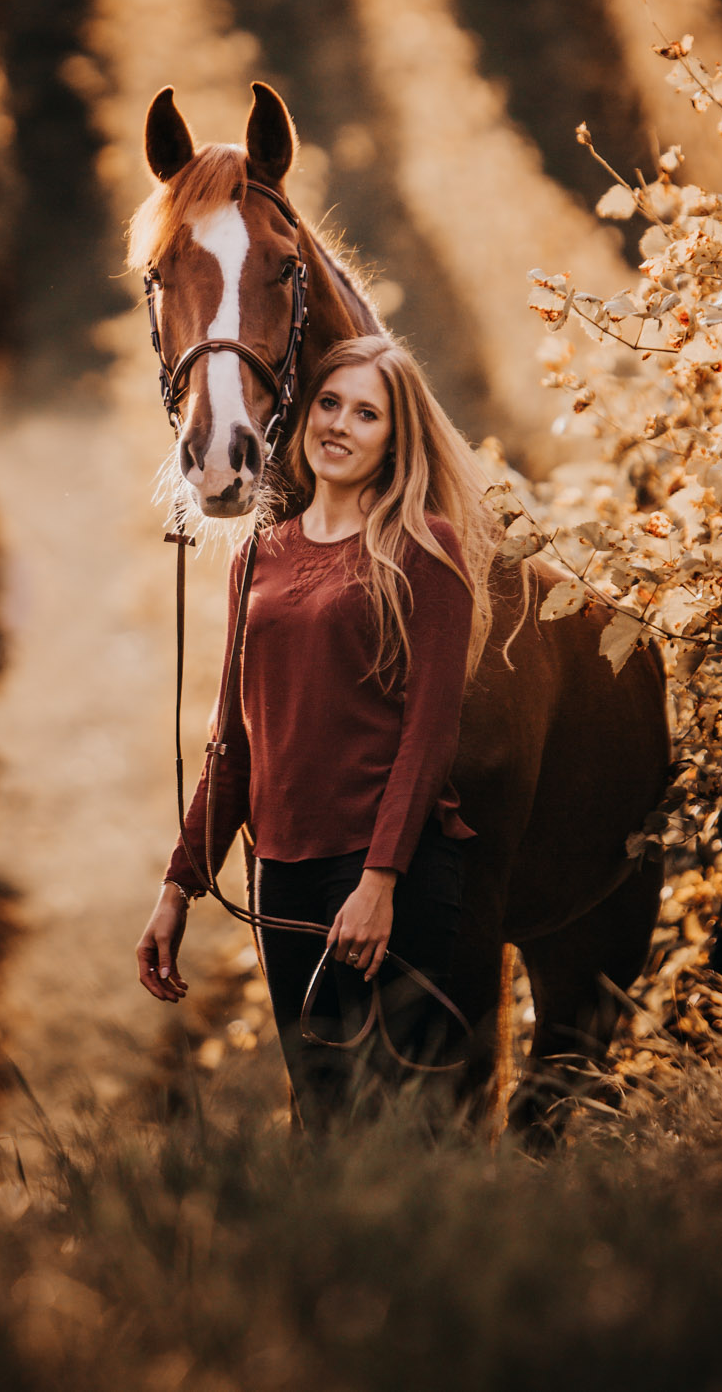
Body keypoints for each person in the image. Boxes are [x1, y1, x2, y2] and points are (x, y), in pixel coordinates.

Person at [135, 331, 502, 1121]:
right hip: (281, 874)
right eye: (329, 403)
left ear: (395, 439)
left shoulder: (423, 548)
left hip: (383, 872)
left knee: (401, 1116)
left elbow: (430, 732)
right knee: (320, 1113)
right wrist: (179, 886)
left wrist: (379, 883)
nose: (338, 424)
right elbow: (231, 741)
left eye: (366, 414)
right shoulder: (258, 556)